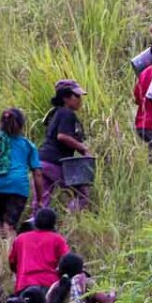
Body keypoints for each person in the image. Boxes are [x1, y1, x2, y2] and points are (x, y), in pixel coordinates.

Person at [0, 108, 45, 238]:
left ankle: (2, 255)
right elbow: (38, 173)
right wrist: (40, 199)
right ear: (21, 124)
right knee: (10, 226)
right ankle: (12, 256)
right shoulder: (28, 145)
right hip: (18, 188)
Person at [37, 79, 91, 213]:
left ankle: (34, 227)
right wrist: (82, 148)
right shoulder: (67, 114)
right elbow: (62, 136)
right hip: (55, 162)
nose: (79, 100)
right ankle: (71, 221)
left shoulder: (55, 113)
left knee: (42, 201)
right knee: (82, 195)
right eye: (76, 96)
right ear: (65, 98)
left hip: (42, 161)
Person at [8, 208, 69, 294]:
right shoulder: (58, 239)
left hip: (24, 284)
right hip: (49, 284)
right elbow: (67, 262)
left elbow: (12, 262)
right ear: (53, 223)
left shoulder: (21, 239)